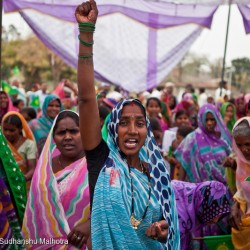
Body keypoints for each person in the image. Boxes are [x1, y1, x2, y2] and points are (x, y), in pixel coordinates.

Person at [75, 1, 180, 249]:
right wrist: (87, 33)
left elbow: (168, 226)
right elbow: (87, 99)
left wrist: (162, 230)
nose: (132, 130)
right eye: (124, 123)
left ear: (147, 131)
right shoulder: (101, 160)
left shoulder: (157, 172)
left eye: (139, 123)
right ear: (113, 129)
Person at [22, 110, 90, 249]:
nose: (67, 137)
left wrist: (90, 224)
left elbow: (112, 206)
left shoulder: (96, 167)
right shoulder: (45, 168)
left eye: (74, 131)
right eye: (61, 133)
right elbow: (34, 209)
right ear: (54, 137)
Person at [174, 103, 232, 185]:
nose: (209, 123)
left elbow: (233, 159)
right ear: (201, 120)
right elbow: (184, 164)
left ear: (217, 119)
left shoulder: (223, 139)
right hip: (200, 190)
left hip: (224, 187)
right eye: (206, 120)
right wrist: (180, 187)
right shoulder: (192, 139)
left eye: (212, 119)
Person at [172, 180, 231, 250]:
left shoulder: (195, 197)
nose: (215, 220)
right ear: (202, 206)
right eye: (211, 220)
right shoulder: (177, 211)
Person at [2, 111, 37, 193]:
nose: (8, 133)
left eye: (12, 130)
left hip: (22, 186)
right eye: (5, 129)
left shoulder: (29, 144)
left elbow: (32, 169)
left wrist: (20, 179)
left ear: (20, 129)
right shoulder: (2, 143)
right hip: (3, 186)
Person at [229, 117, 250, 249]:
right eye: (239, 145)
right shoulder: (242, 164)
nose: (244, 150)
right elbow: (242, 190)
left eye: (248, 144)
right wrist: (235, 205)